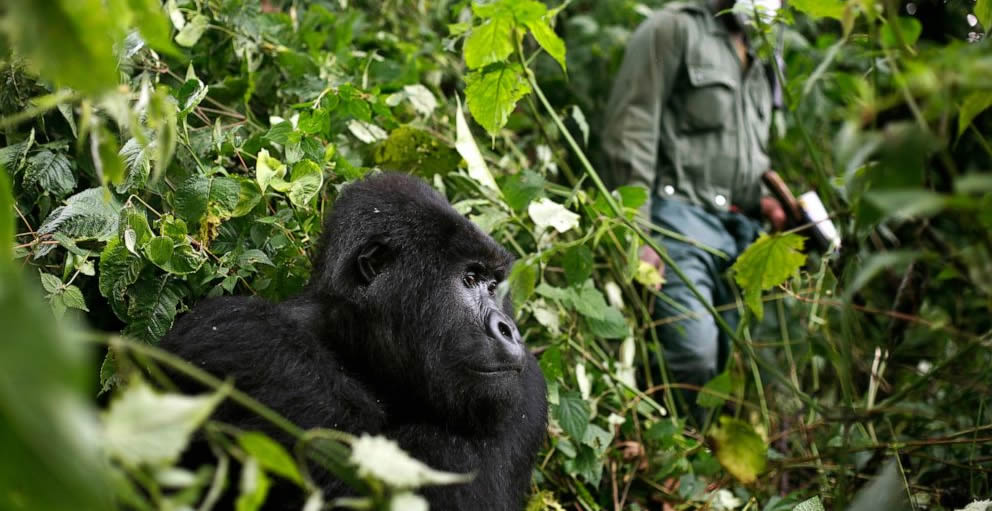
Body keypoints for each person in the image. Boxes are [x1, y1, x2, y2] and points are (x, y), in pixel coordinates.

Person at [602, 0, 785, 425]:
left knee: (731, 372)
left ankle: (691, 471)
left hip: (740, 235)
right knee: (694, 357)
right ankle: (666, 466)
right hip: (676, 223)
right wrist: (638, 232)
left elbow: (740, 150)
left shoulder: (759, 50)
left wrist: (765, 200)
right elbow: (630, 134)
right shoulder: (672, 29)